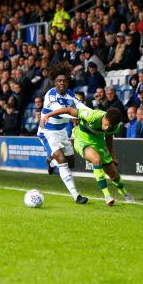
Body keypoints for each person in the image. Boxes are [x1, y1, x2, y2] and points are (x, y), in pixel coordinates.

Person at [40, 106, 134, 206]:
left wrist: (112, 155)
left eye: (109, 127)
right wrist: (48, 115)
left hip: (98, 143)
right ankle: (107, 196)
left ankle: (123, 192)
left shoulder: (115, 126)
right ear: (105, 117)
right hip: (82, 140)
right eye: (106, 124)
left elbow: (109, 140)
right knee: (96, 159)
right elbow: (69, 110)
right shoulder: (92, 116)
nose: (106, 128)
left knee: (113, 175)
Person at [37, 63, 89, 205]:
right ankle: (76, 196)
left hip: (61, 132)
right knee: (62, 160)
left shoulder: (71, 94)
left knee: (71, 162)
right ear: (55, 82)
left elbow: (81, 107)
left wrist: (92, 114)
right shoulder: (51, 95)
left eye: (64, 80)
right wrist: (77, 117)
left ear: (67, 82)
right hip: (47, 132)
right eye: (59, 81)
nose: (62, 83)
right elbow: (61, 111)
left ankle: (51, 161)